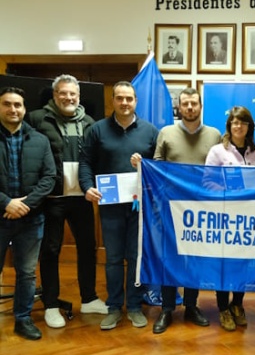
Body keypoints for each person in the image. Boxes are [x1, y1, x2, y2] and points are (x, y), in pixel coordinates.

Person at [131, 87, 221, 334]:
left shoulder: (214, 135)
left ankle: (191, 305)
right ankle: (167, 308)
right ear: (179, 107)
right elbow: (157, 167)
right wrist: (142, 165)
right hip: (170, 208)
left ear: (200, 106)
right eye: (185, 104)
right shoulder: (166, 133)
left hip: (202, 209)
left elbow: (221, 170)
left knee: (194, 259)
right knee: (168, 258)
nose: (190, 107)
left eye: (194, 103)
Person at [27, 74, 107, 330]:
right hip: (52, 198)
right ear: (55, 95)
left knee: (87, 247)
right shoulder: (37, 119)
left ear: (79, 97)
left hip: (82, 196)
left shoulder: (90, 123)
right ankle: (51, 305)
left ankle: (89, 298)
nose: (68, 97)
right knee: (50, 250)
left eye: (73, 94)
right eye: (63, 93)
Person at [79, 81, 160, 331]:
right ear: (112, 100)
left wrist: (144, 164)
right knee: (113, 258)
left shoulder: (150, 131)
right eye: (120, 98)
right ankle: (114, 307)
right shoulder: (97, 130)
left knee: (135, 257)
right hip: (110, 205)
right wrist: (87, 186)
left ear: (136, 101)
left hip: (139, 206)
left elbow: (159, 166)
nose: (124, 103)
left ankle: (134, 306)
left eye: (129, 98)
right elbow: (85, 162)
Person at [0, 86, 56, 340]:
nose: (13, 109)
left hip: (31, 219)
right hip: (0, 216)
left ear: (24, 109)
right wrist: (6, 203)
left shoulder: (40, 140)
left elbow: (49, 178)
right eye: (7, 104)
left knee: (26, 272)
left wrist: (25, 205)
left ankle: (23, 319)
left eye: (18, 105)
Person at [205, 106, 255, 331]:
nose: (238, 126)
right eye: (235, 122)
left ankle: (237, 304)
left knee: (243, 264)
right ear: (229, 125)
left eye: (243, 122)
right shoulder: (217, 151)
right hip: (224, 218)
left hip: (247, 219)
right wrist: (228, 191)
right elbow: (207, 182)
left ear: (249, 126)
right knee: (223, 265)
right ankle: (223, 308)